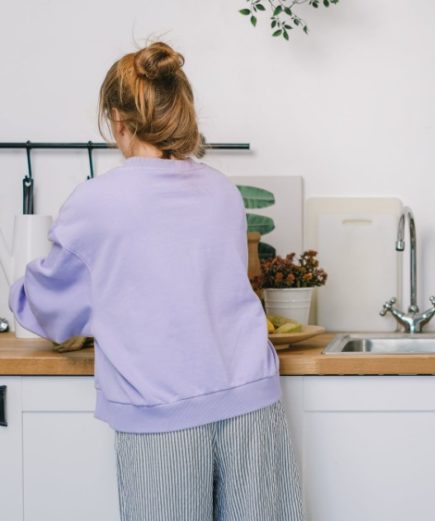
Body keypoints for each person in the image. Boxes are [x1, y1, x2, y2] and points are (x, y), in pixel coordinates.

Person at [8, 41, 305, 521]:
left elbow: (52, 312)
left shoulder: (96, 202)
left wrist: (19, 291)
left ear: (118, 121)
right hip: (252, 405)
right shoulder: (221, 191)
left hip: (163, 415)